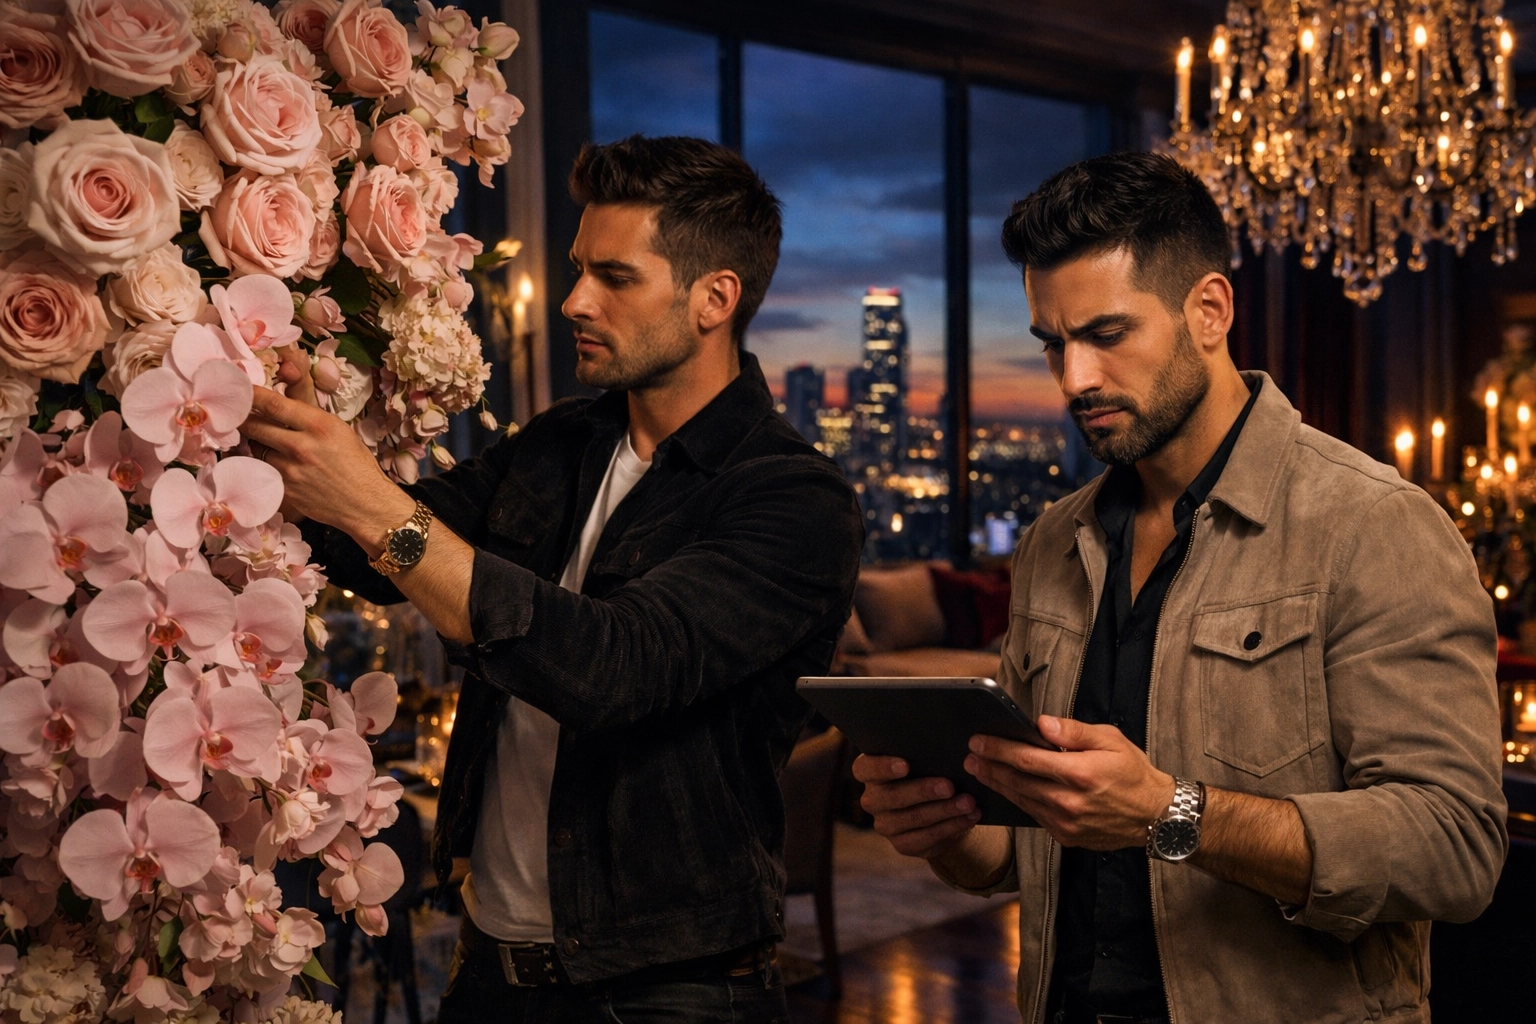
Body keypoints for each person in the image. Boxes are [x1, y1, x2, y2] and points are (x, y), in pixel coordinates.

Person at [855, 151, 1507, 1024]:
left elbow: (1455, 848)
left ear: (1209, 310)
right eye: (1054, 344)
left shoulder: (1374, 525)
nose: (1074, 379)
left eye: (1107, 334)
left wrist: (1175, 812)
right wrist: (943, 829)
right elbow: (1021, 852)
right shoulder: (1053, 541)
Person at [244, 135, 864, 1023]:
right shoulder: (562, 442)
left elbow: (612, 668)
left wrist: (377, 509)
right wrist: (293, 428)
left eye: (615, 277)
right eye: (579, 270)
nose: (577, 300)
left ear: (713, 300)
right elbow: (375, 557)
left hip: (670, 990)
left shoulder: (795, 499)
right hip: (491, 967)